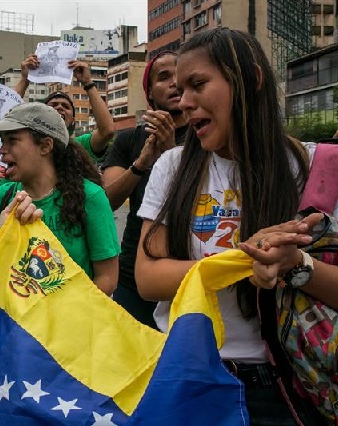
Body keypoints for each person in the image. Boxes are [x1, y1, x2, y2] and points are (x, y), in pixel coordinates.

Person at [135, 28, 328, 424]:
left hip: (281, 391)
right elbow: (148, 278)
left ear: (251, 80)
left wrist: (293, 264)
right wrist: (243, 260)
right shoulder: (172, 167)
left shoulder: (314, 168)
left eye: (198, 84)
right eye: (179, 89)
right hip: (185, 382)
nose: (185, 102)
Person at [0, 102, 120, 295]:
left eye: (12, 140)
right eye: (2, 142)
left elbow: (107, 278)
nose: (2, 150)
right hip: (13, 322)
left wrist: (56, 313)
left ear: (45, 146)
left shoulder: (90, 196)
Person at [102, 51, 187, 328]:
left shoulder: (205, 137)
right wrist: (141, 164)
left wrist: (172, 154)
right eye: (164, 77)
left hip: (184, 272)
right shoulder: (130, 140)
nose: (175, 82)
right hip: (132, 278)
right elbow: (108, 202)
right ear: (149, 91)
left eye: (180, 74)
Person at [15, 56, 115, 164]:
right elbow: (7, 118)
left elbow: (107, 131)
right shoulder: (29, 146)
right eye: (53, 105)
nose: (59, 107)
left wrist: (88, 83)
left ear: (72, 119)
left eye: (66, 106)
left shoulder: (81, 146)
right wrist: (24, 80)